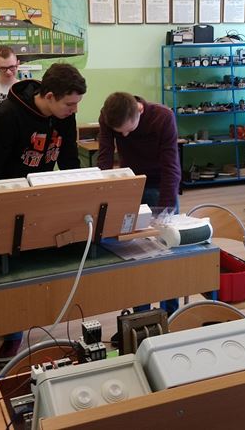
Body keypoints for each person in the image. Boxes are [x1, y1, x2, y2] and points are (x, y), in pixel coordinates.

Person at [0, 62, 87, 362]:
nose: (74, 110)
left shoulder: (65, 115)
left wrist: (82, 197)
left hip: (41, 198)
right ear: (50, 96)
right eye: (70, 104)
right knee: (10, 272)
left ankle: (33, 320)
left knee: (37, 266)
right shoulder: (9, 115)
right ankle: (13, 333)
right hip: (8, 202)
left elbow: (70, 161)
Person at [98, 92, 182, 323]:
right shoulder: (107, 116)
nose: (124, 136)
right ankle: (141, 318)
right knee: (135, 254)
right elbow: (105, 158)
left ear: (139, 112)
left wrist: (165, 211)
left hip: (161, 184)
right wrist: (105, 196)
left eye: (128, 130)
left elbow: (171, 167)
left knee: (167, 251)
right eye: (120, 132)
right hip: (132, 185)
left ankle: (170, 314)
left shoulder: (163, 117)